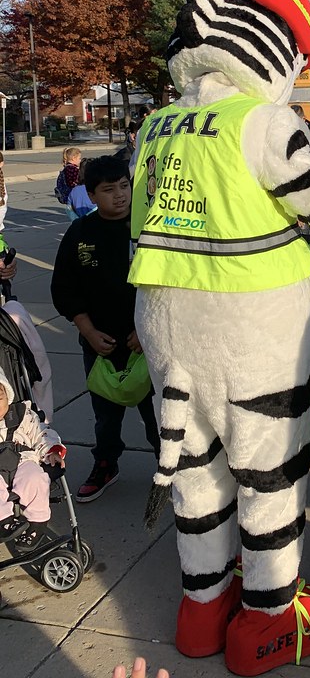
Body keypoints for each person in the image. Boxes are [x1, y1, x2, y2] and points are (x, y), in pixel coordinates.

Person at [51, 156, 160, 502]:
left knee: (159, 417)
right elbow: (63, 290)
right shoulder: (80, 233)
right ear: (91, 195)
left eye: (125, 186)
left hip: (149, 343)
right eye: (109, 190)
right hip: (101, 345)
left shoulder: (148, 228)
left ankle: (171, 471)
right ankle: (106, 464)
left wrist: (147, 330)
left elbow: (170, 285)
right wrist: (88, 331)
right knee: (105, 418)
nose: (120, 195)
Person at [0, 367, 66, 549]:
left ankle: (38, 523)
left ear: (8, 396)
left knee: (36, 478)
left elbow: (41, 434)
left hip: (22, 461)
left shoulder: (22, 416)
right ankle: (4, 521)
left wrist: (52, 451)